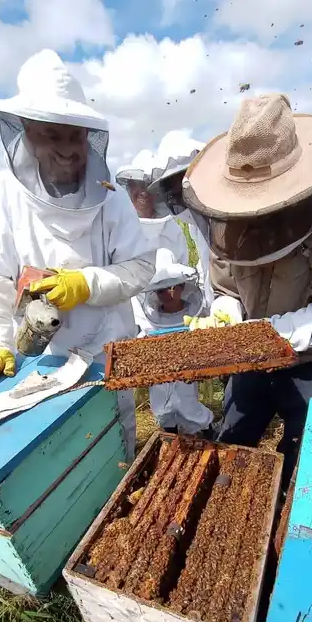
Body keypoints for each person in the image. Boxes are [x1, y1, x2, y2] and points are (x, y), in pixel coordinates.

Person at [0, 50, 155, 460]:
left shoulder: (111, 197)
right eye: (52, 135)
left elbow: (141, 267)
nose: (67, 149)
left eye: (75, 136)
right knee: (56, 460)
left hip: (108, 352)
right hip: (41, 361)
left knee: (115, 451)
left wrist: (87, 283)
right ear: (26, 132)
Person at [182, 93, 312, 490]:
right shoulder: (227, 212)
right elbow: (224, 280)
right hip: (249, 357)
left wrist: (259, 337)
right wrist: (227, 311)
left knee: (309, 462)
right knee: (234, 438)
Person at [116, 150, 213, 436]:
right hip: (143, 311)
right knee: (158, 376)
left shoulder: (173, 228)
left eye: (144, 190)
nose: (140, 196)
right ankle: (167, 422)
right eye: (134, 190)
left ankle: (196, 424)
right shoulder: (122, 227)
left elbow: (181, 267)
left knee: (183, 374)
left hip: (175, 310)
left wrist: (171, 285)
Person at [134, 251, 214, 435]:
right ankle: (171, 437)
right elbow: (143, 339)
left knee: (188, 404)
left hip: (186, 366)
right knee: (162, 407)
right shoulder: (151, 317)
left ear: (182, 286)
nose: (168, 294)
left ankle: (208, 433)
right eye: (161, 290)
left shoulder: (195, 311)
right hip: (159, 368)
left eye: (172, 287)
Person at [148, 132, 215, 306]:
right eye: (174, 185)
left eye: (185, 178)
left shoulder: (223, 213)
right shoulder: (194, 223)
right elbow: (207, 265)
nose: (183, 191)